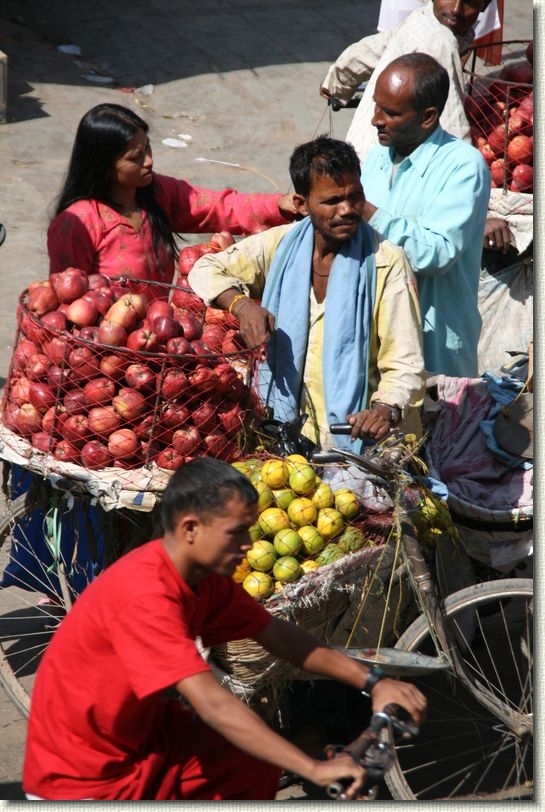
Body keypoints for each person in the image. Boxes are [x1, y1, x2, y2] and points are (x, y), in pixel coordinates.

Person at [23, 457, 427, 801]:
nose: (249, 545)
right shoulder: (145, 597)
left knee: (251, 764)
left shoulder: (205, 578)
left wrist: (373, 681)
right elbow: (213, 705)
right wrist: (313, 768)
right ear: (190, 529)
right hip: (82, 772)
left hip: (148, 736)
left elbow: (281, 637)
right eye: (237, 532)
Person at [188, 135, 425, 451]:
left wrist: (385, 409)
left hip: (359, 442)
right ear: (301, 203)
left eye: (355, 197)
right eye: (331, 202)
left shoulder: (386, 261)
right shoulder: (281, 245)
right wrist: (241, 305)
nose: (347, 210)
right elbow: (204, 269)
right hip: (286, 433)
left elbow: (405, 363)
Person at [47, 103, 298, 298]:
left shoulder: (157, 193)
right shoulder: (77, 223)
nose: (149, 161)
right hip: (103, 356)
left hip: (161, 341)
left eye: (147, 148)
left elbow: (217, 206)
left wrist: (278, 205)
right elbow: (67, 298)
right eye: (135, 157)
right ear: (104, 167)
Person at [360, 53, 490, 377]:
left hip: (435, 343)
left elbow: (436, 253)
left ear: (428, 117)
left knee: (430, 426)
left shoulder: (463, 166)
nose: (376, 119)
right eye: (376, 106)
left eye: (390, 112)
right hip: (380, 334)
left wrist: (366, 212)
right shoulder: (377, 157)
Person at [320, 0, 493, 163]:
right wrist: (466, 166)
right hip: (385, 163)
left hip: (361, 150)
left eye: (469, 1)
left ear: (484, 4)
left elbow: (367, 51)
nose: (456, 9)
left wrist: (336, 83)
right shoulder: (441, 42)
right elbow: (452, 125)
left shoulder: (421, 19)